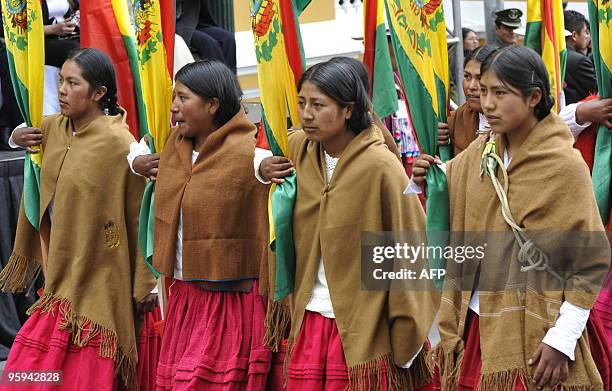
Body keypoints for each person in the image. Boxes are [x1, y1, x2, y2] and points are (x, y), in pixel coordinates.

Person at [414, 46, 610, 390]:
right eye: (484, 90)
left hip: (544, 327)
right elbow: (445, 182)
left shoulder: (564, 167)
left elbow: (590, 259)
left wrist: (562, 339)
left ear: (534, 97)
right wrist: (422, 176)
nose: (487, 103)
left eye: (500, 93)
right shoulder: (483, 149)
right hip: (478, 320)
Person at [258, 59, 439, 390]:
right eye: (301, 103)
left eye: (318, 104)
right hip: (310, 316)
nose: (306, 114)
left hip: (366, 327)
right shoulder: (298, 149)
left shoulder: (381, 167)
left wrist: (405, 331)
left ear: (347, 110)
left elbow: (411, 251)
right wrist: (263, 167)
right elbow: (256, 153)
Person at [0, 47, 156, 390]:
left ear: (99, 93)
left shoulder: (120, 142)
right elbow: (24, 132)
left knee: (88, 374)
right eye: (61, 81)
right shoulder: (54, 128)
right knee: (24, 371)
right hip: (61, 272)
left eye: (73, 83)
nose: (62, 90)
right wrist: (15, 136)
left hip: (103, 271)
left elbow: (137, 215)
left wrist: (146, 282)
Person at [130, 60, 273, 390]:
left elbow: (267, 167)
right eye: (174, 97)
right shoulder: (174, 147)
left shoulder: (248, 152)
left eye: (183, 98)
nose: (174, 107)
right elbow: (133, 147)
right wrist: (136, 162)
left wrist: (267, 169)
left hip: (229, 298)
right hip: (185, 294)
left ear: (212, 105)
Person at [440, 45, 498, 156]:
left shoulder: (514, 122)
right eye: (467, 76)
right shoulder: (457, 118)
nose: (471, 86)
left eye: (480, 78)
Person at [175, 0, 237, 73]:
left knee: (229, 39)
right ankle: (221, 79)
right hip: (178, 25)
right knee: (209, 43)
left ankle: (231, 78)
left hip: (193, 19)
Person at [564, 10, 598, 105]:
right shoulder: (580, 61)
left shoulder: (554, 55)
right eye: (586, 32)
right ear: (574, 35)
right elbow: (599, 91)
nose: (588, 36)